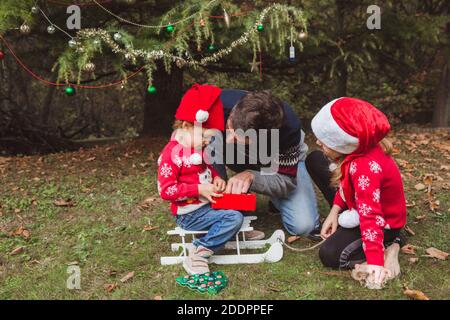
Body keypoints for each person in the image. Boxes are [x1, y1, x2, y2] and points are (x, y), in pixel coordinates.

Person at [306, 97, 407, 288]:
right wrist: (334, 212)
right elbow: (345, 185)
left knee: (330, 254)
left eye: (326, 140)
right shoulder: (356, 151)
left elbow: (370, 216)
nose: (318, 141)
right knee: (316, 159)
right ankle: (366, 235)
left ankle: (392, 243)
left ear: (344, 143)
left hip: (383, 223)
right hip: (361, 204)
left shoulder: (364, 167)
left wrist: (375, 264)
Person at [207, 89, 320, 240]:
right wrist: (217, 179)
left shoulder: (289, 130)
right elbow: (189, 137)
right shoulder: (217, 103)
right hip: (242, 157)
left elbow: (286, 181)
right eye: (229, 129)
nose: (228, 139)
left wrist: (252, 176)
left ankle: (276, 199)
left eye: (237, 138)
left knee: (304, 225)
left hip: (277, 164)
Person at [157, 84, 244, 275]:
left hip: (205, 204)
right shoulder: (171, 155)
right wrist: (198, 190)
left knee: (238, 201)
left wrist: (216, 179)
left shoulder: (198, 149)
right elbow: (166, 191)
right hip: (189, 214)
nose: (207, 141)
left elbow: (207, 168)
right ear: (187, 126)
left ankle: (231, 231)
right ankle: (199, 250)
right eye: (205, 136)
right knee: (234, 217)